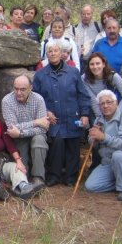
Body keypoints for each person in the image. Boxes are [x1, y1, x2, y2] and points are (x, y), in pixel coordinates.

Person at [33, 41, 91, 186]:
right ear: (46, 54)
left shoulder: (73, 72)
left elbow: (83, 95)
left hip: (72, 116)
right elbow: (35, 98)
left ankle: (71, 178)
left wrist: (84, 114)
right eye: (50, 51)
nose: (53, 53)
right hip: (53, 119)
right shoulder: (40, 75)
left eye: (56, 50)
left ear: (62, 53)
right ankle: (54, 176)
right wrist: (45, 112)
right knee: (56, 146)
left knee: (73, 146)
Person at [0, 100, 45, 199]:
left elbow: (9, 144)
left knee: (15, 167)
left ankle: (24, 187)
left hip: (0, 161)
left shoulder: (0, 125)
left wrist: (19, 161)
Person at [84, 90, 122, 201]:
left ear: (116, 103)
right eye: (102, 103)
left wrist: (104, 137)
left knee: (118, 155)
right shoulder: (99, 120)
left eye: (109, 102)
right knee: (90, 186)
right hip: (107, 162)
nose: (105, 106)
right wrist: (93, 138)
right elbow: (92, 142)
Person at [1, 74, 49, 186]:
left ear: (30, 88)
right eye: (16, 89)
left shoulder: (38, 99)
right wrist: (36, 122)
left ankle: (38, 178)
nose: (18, 93)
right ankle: (23, 180)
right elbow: (12, 128)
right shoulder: (7, 101)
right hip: (17, 138)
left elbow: (43, 129)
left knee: (39, 140)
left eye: (22, 89)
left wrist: (21, 132)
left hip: (31, 134)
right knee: (23, 168)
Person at [82, 52, 122, 119]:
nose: (95, 67)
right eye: (92, 64)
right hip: (97, 112)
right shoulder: (84, 79)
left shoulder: (113, 77)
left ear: (103, 64)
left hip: (115, 111)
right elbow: (93, 101)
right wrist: (101, 119)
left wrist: (115, 114)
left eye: (98, 63)